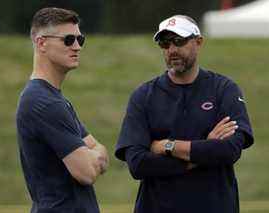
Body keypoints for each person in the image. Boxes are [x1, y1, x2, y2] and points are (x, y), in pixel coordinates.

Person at [115, 15, 254, 213]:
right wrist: (203, 151)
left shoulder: (224, 89)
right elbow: (138, 164)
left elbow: (230, 150)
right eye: (165, 43)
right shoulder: (144, 95)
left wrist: (168, 146)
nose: (172, 50)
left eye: (179, 41)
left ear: (198, 42)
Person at [16, 7, 109, 213]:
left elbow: (103, 152)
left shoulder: (55, 99)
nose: (77, 47)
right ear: (42, 43)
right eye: (68, 40)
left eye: (80, 40)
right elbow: (87, 172)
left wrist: (92, 155)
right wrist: (92, 156)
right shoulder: (44, 103)